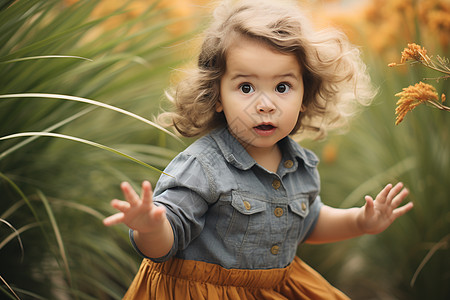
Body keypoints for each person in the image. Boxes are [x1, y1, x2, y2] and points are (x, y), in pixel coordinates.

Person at [103, 0, 414, 299]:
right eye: (246, 87)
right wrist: (151, 226)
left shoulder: (298, 165)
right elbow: (164, 243)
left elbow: (308, 221)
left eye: (282, 87)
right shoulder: (203, 167)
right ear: (217, 96)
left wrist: (359, 221)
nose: (265, 105)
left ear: (305, 94)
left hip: (272, 286)